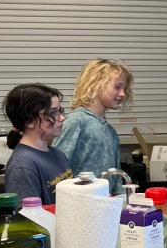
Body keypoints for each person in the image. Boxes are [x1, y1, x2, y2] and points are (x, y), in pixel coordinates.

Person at [53, 58, 133, 195]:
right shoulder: (76, 121)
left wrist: (123, 200)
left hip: (104, 204)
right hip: (78, 202)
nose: (122, 93)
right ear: (96, 85)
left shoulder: (110, 132)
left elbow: (116, 179)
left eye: (124, 89)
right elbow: (57, 170)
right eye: (117, 87)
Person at [3, 83, 73, 205]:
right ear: (29, 121)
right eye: (53, 112)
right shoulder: (22, 166)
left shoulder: (58, 154)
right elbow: (26, 215)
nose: (62, 118)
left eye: (60, 111)